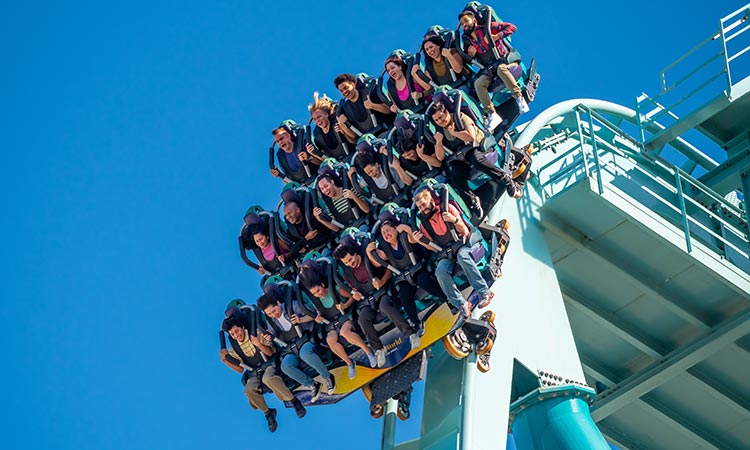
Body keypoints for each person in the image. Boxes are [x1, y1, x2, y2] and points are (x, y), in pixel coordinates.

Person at [333, 237, 420, 367]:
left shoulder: (369, 260)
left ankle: (410, 333)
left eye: (350, 260)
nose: (349, 264)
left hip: (382, 292)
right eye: (346, 263)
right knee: (363, 319)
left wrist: (381, 282)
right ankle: (378, 349)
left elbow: (389, 269)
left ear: (355, 254)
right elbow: (353, 290)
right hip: (366, 299)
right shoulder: (348, 274)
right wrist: (354, 295)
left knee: (386, 306)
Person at [411, 186, 494, 317]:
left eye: (423, 204)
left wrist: (454, 220)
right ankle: (461, 304)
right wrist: (420, 240)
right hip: (447, 252)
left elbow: (464, 230)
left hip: (464, 242)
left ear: (431, 201)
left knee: (462, 255)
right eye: (420, 207)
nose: (422, 209)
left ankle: (483, 291)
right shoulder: (424, 224)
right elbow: (433, 246)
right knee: (440, 271)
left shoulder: (447, 208)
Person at [220, 306, 306, 432]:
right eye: (232, 334)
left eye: (237, 331)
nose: (236, 335)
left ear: (243, 327)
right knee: (248, 390)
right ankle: (268, 413)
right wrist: (225, 360)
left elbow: (271, 352)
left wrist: (259, 344)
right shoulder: (235, 347)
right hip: (255, 371)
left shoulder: (256, 333)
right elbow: (239, 369)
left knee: (268, 379)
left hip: (269, 363)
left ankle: (294, 401)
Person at [366, 209, 444, 339]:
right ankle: (416, 323)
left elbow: (415, 239)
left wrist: (406, 228)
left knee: (424, 280)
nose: (386, 234)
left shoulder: (404, 236)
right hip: (403, 276)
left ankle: (446, 299)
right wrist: (370, 253)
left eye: (388, 231)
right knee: (404, 295)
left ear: (395, 229)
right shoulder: (385, 247)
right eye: (383, 233)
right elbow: (377, 263)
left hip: (417, 268)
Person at [428, 98, 519, 204]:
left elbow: (471, 137)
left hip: (478, 147)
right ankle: (472, 201)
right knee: (455, 175)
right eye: (436, 120)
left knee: (476, 158)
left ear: (446, 112)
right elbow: (440, 157)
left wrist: (454, 133)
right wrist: (438, 142)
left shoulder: (460, 117)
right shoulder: (439, 131)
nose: (440, 121)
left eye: (440, 117)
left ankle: (506, 179)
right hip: (460, 157)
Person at [257, 283, 335, 402]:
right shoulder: (272, 320)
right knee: (285, 366)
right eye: (270, 314)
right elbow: (274, 335)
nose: (274, 315)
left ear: (278, 303)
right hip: (292, 347)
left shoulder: (292, 306)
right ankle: (312, 384)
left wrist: (300, 320)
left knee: (305, 353)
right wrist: (268, 338)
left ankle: (328, 377)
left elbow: (313, 314)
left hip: (306, 338)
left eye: (274, 310)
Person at [298, 259, 376, 374]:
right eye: (314, 293)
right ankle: (350, 363)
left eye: (318, 291)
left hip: (346, 317)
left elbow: (353, 296)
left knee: (345, 332)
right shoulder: (316, 301)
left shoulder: (335, 289)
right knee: (330, 340)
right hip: (332, 323)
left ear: (323, 285)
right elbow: (319, 312)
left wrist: (345, 305)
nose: (318, 294)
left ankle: (369, 352)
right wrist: (318, 316)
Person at [458, 7, 529, 132]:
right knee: (478, 84)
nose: (464, 25)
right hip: (489, 69)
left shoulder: (487, 28)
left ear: (473, 20)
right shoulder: (467, 40)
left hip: (504, 62)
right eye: (462, 24)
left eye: (466, 21)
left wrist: (497, 36)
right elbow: (466, 58)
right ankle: (492, 114)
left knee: (502, 69)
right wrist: (470, 54)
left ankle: (519, 97)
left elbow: (511, 27)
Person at [334, 73, 393, 143]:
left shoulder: (368, 92)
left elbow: (389, 110)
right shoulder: (345, 109)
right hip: (367, 141)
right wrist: (342, 125)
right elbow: (353, 138)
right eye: (341, 91)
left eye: (346, 88)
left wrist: (372, 105)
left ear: (353, 84)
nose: (344, 92)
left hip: (384, 131)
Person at [313, 164, 372, 231]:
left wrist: (354, 197)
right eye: (322, 189)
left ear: (332, 182)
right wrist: (320, 219)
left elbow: (367, 209)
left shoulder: (349, 190)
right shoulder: (329, 204)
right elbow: (336, 228)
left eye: (326, 186)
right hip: (348, 230)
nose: (325, 190)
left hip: (361, 223)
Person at [279, 188, 331, 262]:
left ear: (297, 210)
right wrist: (306, 239)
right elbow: (292, 248)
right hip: (309, 255)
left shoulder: (311, 216)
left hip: (324, 247)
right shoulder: (291, 229)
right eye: (286, 215)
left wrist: (304, 246)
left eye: (290, 213)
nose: (288, 217)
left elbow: (323, 235)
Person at [412, 27, 470, 91]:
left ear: (438, 45)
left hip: (463, 84)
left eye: (431, 47)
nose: (430, 50)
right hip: (447, 92)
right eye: (427, 49)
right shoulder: (429, 66)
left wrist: (448, 55)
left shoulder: (451, 51)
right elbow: (429, 87)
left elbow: (458, 69)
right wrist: (414, 74)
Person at [351, 136, 404, 205]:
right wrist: (351, 175)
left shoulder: (385, 165)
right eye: (368, 173)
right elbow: (358, 189)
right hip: (386, 202)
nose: (371, 174)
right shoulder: (367, 177)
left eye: (372, 170)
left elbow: (396, 161)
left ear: (376, 164)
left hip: (401, 193)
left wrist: (386, 151)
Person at [307, 92, 350, 161]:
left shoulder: (337, 121)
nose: (317, 121)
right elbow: (324, 158)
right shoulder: (317, 134)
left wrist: (344, 130)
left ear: (326, 114)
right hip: (337, 163)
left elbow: (354, 138)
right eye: (315, 119)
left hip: (351, 153)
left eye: (319, 117)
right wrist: (313, 153)